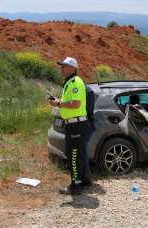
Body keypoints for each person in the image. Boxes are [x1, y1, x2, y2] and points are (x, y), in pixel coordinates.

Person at [48, 57, 92, 195]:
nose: (62, 68)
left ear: (73, 68)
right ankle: (84, 181)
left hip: (76, 125)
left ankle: (75, 186)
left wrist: (59, 104)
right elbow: (70, 102)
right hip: (75, 124)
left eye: (65, 66)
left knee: (73, 156)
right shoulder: (69, 82)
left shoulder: (75, 82)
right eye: (62, 65)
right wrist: (59, 101)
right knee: (78, 154)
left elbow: (76, 104)